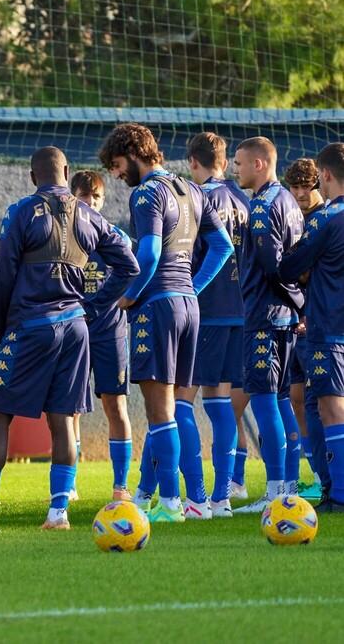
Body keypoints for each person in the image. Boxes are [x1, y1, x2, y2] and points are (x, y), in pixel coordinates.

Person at [0, 146, 139, 532]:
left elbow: (4, 275)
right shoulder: (91, 216)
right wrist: (92, 307)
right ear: (66, 170)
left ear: (33, 177)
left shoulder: (21, 212)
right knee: (62, 417)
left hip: (30, 324)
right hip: (75, 328)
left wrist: (2, 330)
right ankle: (58, 513)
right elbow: (129, 265)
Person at [99, 123, 233, 523]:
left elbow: (150, 252)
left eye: (117, 164)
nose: (116, 174)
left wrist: (129, 294)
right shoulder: (191, 189)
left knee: (160, 411)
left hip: (157, 306)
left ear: (133, 153)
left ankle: (172, 504)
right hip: (188, 307)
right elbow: (222, 246)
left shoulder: (147, 193)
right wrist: (191, 286)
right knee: (176, 407)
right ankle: (195, 501)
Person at [166, 132, 250, 518]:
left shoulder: (200, 198)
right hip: (239, 311)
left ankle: (197, 498)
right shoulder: (244, 200)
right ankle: (222, 498)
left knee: (178, 400)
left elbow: (205, 251)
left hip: (207, 312)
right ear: (225, 161)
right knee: (220, 404)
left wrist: (192, 289)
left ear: (193, 163)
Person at [231, 136, 304, 513]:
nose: (235, 170)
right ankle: (288, 485)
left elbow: (273, 267)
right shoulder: (289, 200)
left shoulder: (261, 207)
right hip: (285, 319)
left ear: (258, 164)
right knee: (282, 400)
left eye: (239, 163)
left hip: (264, 317)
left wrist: (296, 301)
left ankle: (275, 491)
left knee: (264, 399)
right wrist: (299, 306)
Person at [279, 142, 344, 512]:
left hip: (328, 327)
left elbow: (288, 267)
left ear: (326, 175)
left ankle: (338, 495)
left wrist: (309, 265)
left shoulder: (325, 219)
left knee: (330, 409)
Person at [71, 170, 134, 502]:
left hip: (110, 332)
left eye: (96, 197)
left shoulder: (116, 237)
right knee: (69, 409)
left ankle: (121, 485)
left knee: (115, 405)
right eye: (84, 196)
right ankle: (68, 485)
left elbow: (134, 274)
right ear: (72, 198)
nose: (91, 202)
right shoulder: (65, 237)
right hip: (75, 333)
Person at [283, 158, 328, 501]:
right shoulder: (290, 218)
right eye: (295, 187)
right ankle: (315, 473)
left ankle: (329, 476)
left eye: (306, 187)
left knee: (321, 403)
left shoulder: (325, 220)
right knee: (297, 400)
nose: (300, 194)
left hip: (319, 324)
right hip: (293, 323)